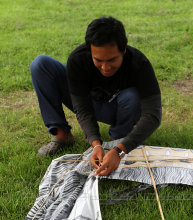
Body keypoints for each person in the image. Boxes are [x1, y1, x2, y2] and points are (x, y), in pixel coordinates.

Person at [30, 16, 162, 176]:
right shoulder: (78, 59)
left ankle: (117, 141)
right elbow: (82, 107)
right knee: (41, 64)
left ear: (124, 50)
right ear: (89, 50)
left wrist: (120, 150)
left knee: (132, 96)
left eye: (112, 60)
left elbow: (153, 115)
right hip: (92, 102)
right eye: (98, 60)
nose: (105, 67)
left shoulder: (139, 63)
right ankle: (62, 135)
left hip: (120, 107)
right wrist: (95, 144)